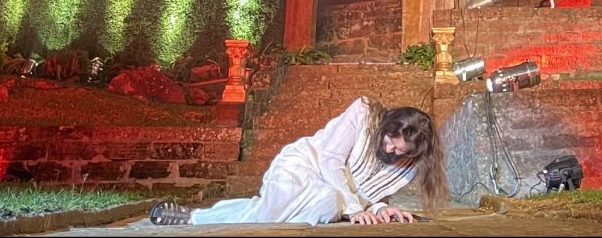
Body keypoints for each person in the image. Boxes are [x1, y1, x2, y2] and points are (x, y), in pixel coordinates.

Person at [147, 96, 446, 226]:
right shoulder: (365, 112)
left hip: (333, 195)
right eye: (390, 140)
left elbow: (371, 192)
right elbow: (330, 160)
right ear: (388, 124)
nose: (390, 150)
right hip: (306, 166)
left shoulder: (407, 167)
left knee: (324, 206)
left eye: (400, 151)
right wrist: (356, 208)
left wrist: (381, 208)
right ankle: (194, 218)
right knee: (267, 215)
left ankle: (248, 215)